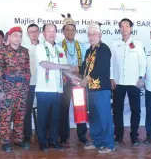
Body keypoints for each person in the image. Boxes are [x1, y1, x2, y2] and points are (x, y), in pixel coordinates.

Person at [35, 23, 71, 151]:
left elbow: (66, 69)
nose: (51, 33)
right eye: (48, 31)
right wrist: (63, 67)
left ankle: (54, 141)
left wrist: (77, 79)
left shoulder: (60, 49)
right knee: (43, 118)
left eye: (53, 31)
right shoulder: (39, 47)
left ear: (56, 33)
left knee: (55, 118)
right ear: (43, 33)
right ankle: (42, 142)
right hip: (44, 89)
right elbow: (45, 64)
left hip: (58, 89)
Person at [110, 18, 146, 145]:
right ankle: (118, 135)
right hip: (118, 82)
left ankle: (134, 135)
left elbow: (143, 62)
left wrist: (141, 78)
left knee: (135, 110)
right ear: (119, 28)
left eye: (126, 26)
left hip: (134, 82)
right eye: (122, 26)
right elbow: (111, 62)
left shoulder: (137, 43)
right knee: (117, 110)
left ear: (131, 28)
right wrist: (111, 77)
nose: (124, 29)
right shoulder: (114, 43)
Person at [80, 23, 115, 154]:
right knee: (93, 117)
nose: (91, 36)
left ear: (100, 35)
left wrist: (85, 79)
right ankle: (97, 141)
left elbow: (101, 68)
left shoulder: (104, 49)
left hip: (102, 89)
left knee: (105, 117)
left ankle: (109, 144)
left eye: (94, 34)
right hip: (90, 89)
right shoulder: (89, 50)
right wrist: (76, 72)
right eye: (89, 34)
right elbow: (84, 66)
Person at [0, 27, 31, 152]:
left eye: (20, 36)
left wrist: (26, 87)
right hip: (7, 89)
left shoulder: (25, 51)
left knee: (20, 115)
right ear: (9, 37)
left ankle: (18, 139)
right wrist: (0, 90)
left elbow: (27, 71)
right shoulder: (2, 51)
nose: (18, 38)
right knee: (5, 116)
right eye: (15, 35)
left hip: (22, 89)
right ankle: (5, 142)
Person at [57, 14, 88, 146]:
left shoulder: (82, 46)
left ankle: (82, 136)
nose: (70, 32)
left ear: (76, 31)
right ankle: (64, 137)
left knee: (80, 108)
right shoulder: (57, 46)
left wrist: (79, 70)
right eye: (67, 29)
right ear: (63, 31)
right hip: (64, 82)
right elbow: (57, 64)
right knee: (63, 110)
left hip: (79, 82)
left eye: (72, 29)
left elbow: (87, 64)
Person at [23, 23, 40, 145]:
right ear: (28, 34)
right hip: (28, 83)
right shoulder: (23, 47)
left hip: (43, 84)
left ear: (39, 32)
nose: (33, 33)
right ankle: (27, 136)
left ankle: (42, 134)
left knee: (42, 110)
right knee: (27, 110)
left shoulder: (45, 46)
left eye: (35, 31)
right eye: (31, 31)